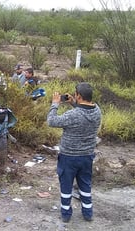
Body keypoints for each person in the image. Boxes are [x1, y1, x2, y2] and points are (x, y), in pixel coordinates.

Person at [47, 82, 102, 223]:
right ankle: (88, 213)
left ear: (79, 95)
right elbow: (84, 113)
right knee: (85, 185)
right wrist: (74, 103)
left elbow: (51, 121)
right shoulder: (97, 111)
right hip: (87, 156)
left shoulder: (72, 115)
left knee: (66, 186)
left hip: (69, 157)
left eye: (75, 94)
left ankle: (66, 214)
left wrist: (55, 104)